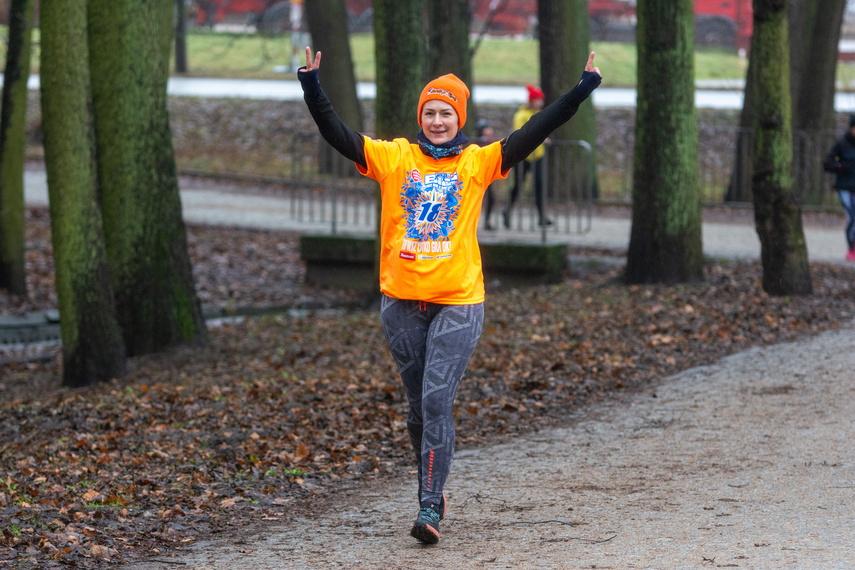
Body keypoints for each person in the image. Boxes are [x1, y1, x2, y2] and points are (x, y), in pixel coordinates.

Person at [298, 46, 601, 545]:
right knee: (418, 408)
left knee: (438, 399)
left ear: (458, 117)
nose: (437, 121)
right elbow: (339, 135)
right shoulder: (394, 156)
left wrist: (581, 89)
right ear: (421, 116)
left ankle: (430, 504)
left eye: (446, 113)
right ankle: (430, 486)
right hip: (400, 301)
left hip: (458, 300)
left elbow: (536, 130)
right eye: (430, 113)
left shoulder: (480, 163)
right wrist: (312, 86)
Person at [503, 84, 550, 228]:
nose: (540, 103)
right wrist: (541, 138)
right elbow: (521, 133)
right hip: (523, 157)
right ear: (531, 101)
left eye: (541, 100)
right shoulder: (521, 115)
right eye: (537, 100)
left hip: (538, 155)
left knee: (540, 185)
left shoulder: (540, 114)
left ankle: (542, 216)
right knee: (517, 186)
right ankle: (507, 211)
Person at [823, 114, 855, 262]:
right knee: (852, 218)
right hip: (845, 186)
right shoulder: (842, 144)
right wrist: (841, 166)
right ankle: (852, 249)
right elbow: (828, 162)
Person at [474, 118, 498, 230]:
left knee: (491, 198)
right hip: (478, 174)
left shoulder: (488, 140)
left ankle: (487, 222)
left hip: (486, 173)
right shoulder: (478, 142)